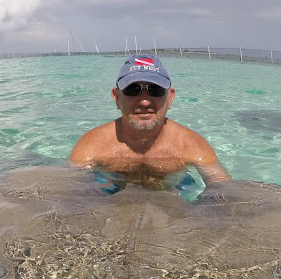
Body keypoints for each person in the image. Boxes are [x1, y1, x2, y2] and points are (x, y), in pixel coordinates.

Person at [69, 54, 231, 192]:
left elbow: (223, 187)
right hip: (112, 193)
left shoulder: (191, 145)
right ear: (117, 97)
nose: (145, 101)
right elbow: (71, 191)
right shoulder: (93, 145)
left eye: (155, 90)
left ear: (170, 98)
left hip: (175, 193)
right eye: (133, 90)